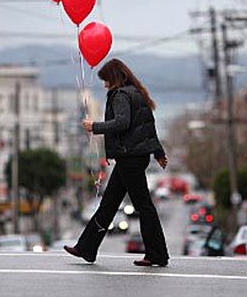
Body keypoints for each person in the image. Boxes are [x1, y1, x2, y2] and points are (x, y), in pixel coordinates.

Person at [64, 58, 170, 267]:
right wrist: (158, 152)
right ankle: (86, 248)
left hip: (130, 157)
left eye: (105, 80)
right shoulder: (137, 93)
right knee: (109, 204)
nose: (104, 84)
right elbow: (148, 127)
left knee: (143, 206)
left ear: (113, 78)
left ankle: (157, 254)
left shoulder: (121, 95)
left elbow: (122, 123)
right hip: (133, 157)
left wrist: (94, 126)